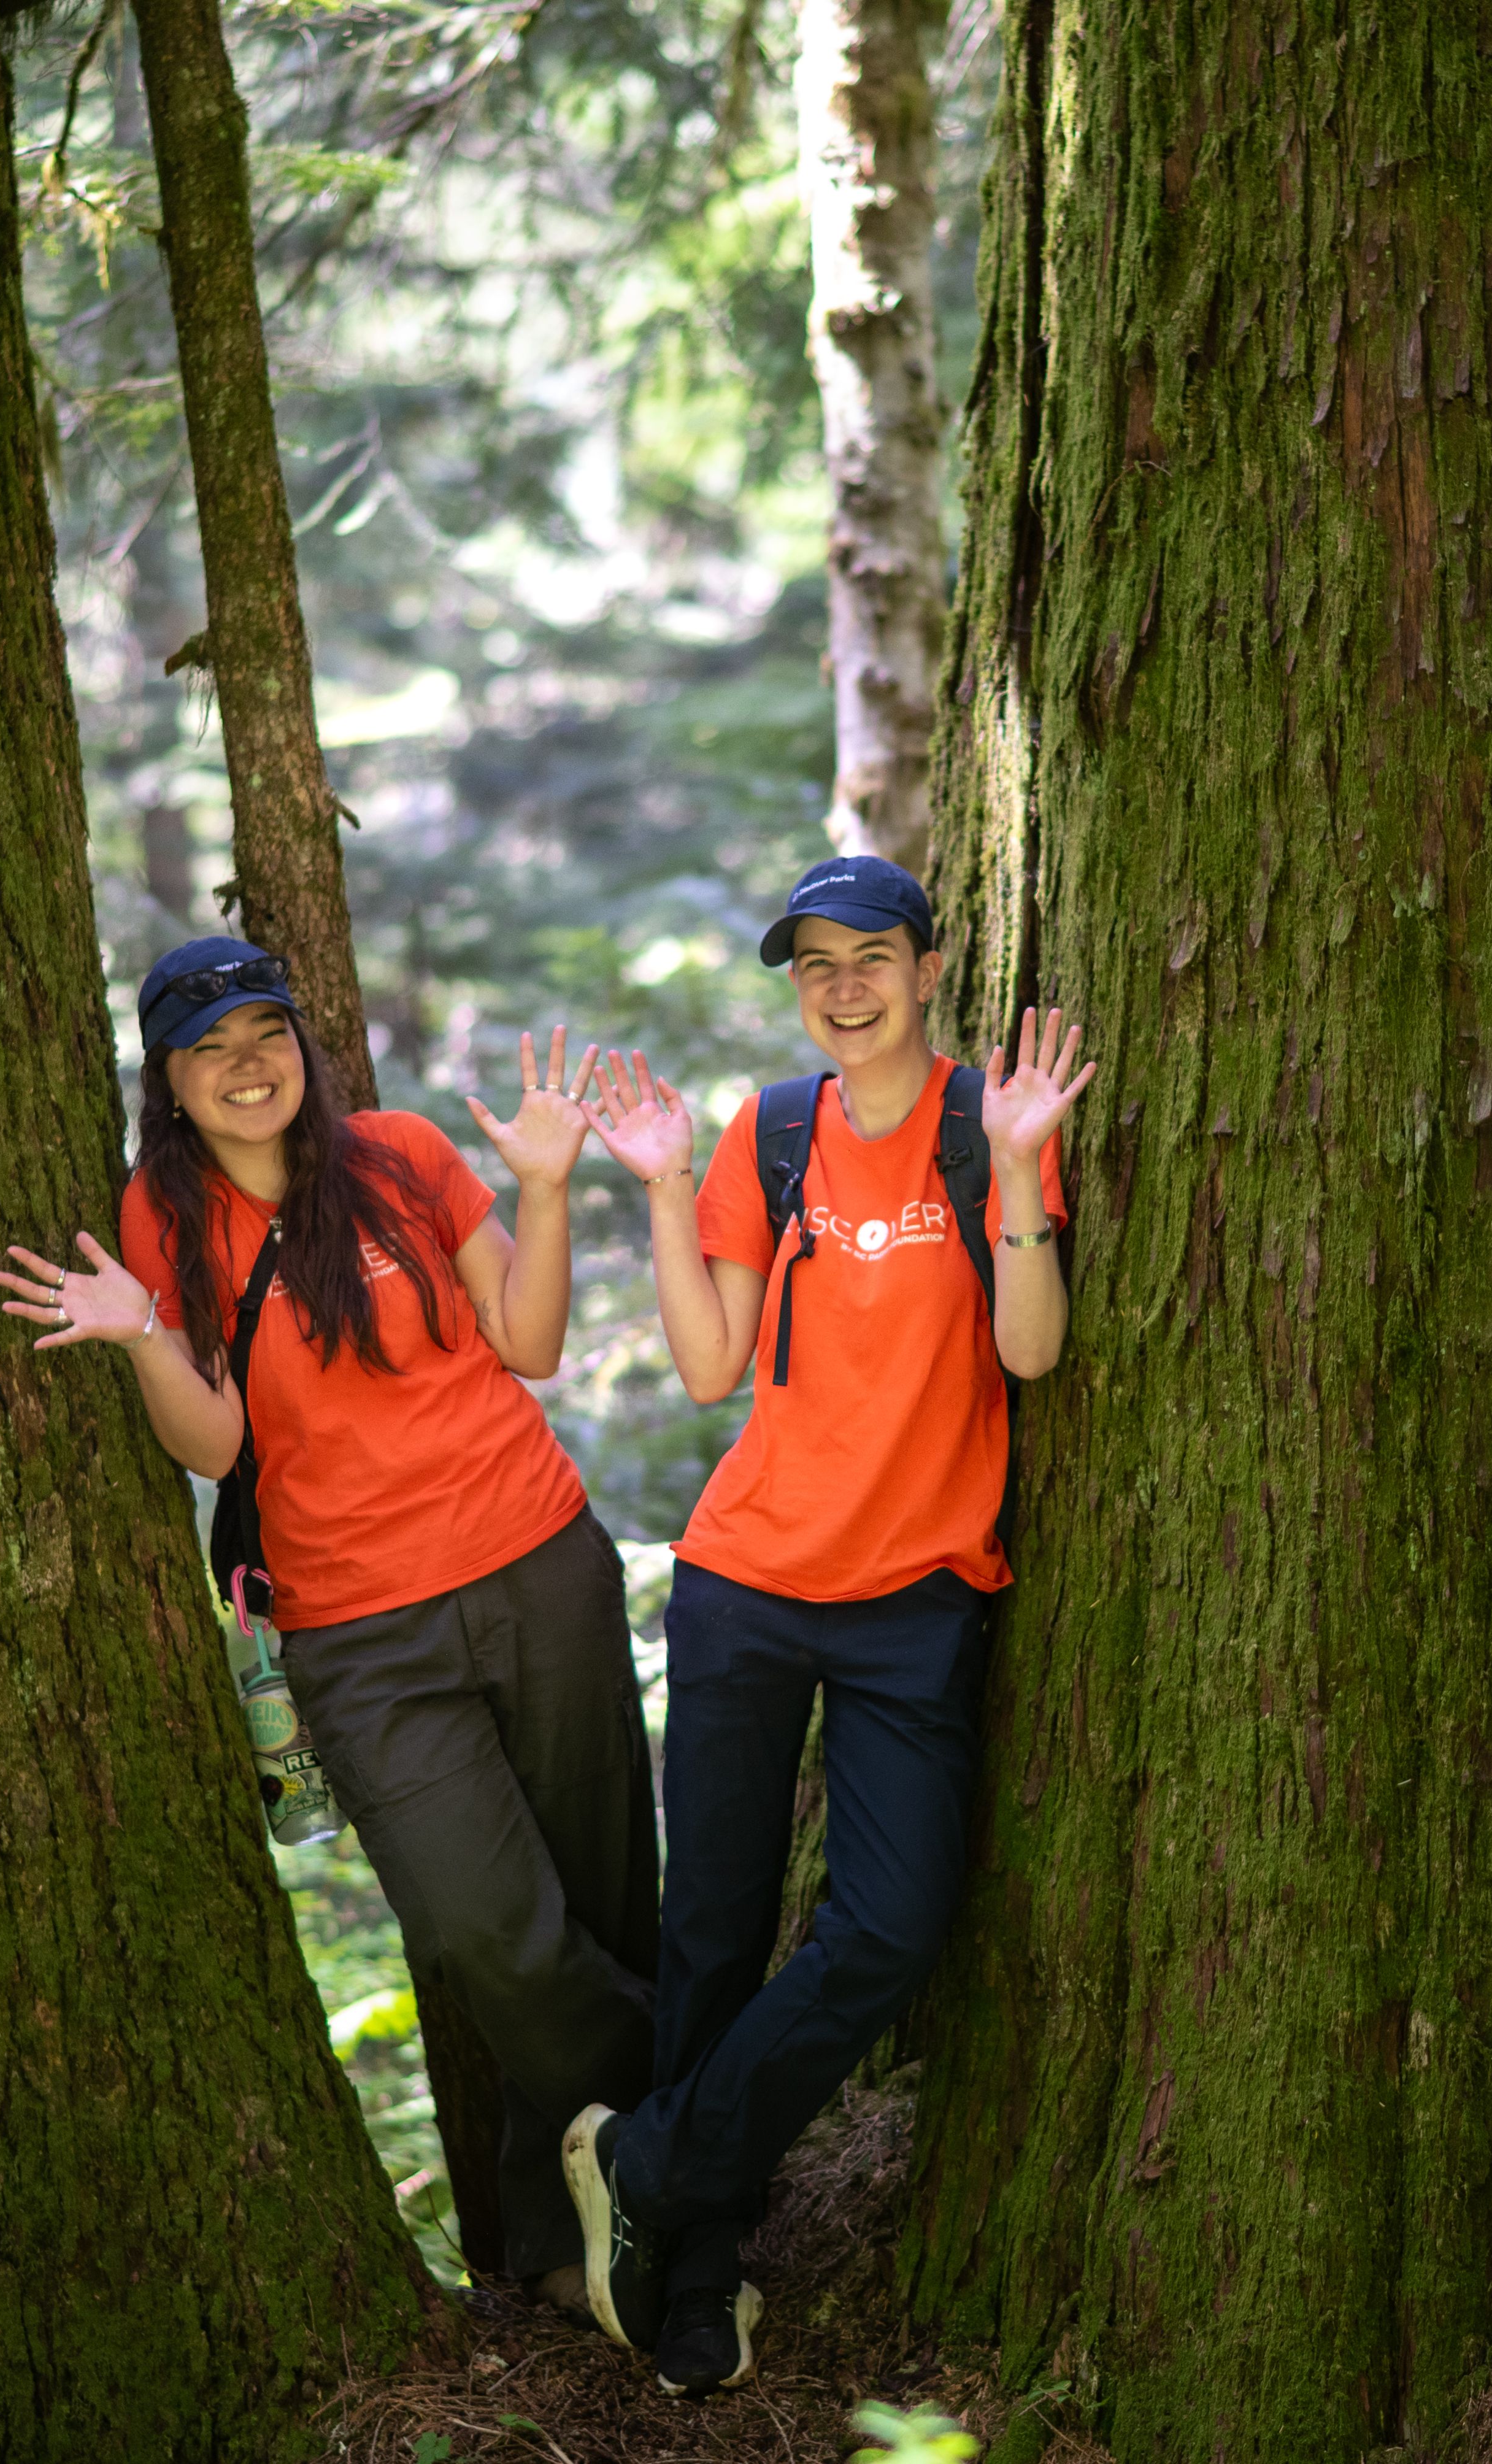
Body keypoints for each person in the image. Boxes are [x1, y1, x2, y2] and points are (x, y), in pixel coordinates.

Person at [0, 937, 656, 2311]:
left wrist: (542, 1190)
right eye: (209, 1047)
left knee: (597, 1903)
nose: (248, 1065)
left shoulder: (405, 1156)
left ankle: (575, 2255)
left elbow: (529, 1343)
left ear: (303, 1046)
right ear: (168, 1082)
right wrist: (140, 1337)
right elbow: (218, 1442)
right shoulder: (162, 1217)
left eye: (265, 1033)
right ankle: (702, 2118)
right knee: (486, 1929)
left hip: (539, 1563)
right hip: (358, 1631)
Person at [561, 855, 1093, 2395]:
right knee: (714, 1926)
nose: (842, 985)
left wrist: (1016, 1178)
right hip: (745, 1583)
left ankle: (650, 2161)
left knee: (887, 1927)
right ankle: (692, 2268)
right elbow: (712, 1365)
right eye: (813, 965)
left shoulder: (978, 1126)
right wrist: (663, 1184)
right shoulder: (771, 1132)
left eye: (871, 956)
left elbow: (1030, 1350)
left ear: (927, 969)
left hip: (916, 1596)